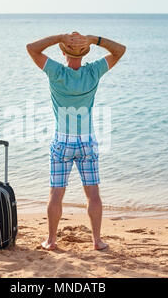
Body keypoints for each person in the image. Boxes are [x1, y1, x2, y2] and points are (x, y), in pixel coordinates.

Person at [26, 32, 126, 250]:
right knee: (93, 195)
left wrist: (60, 37)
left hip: (62, 142)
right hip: (87, 142)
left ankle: (51, 241)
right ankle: (97, 241)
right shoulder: (93, 72)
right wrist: (94, 39)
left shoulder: (56, 72)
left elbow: (32, 48)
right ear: (85, 52)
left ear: (62, 52)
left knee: (56, 193)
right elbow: (120, 50)